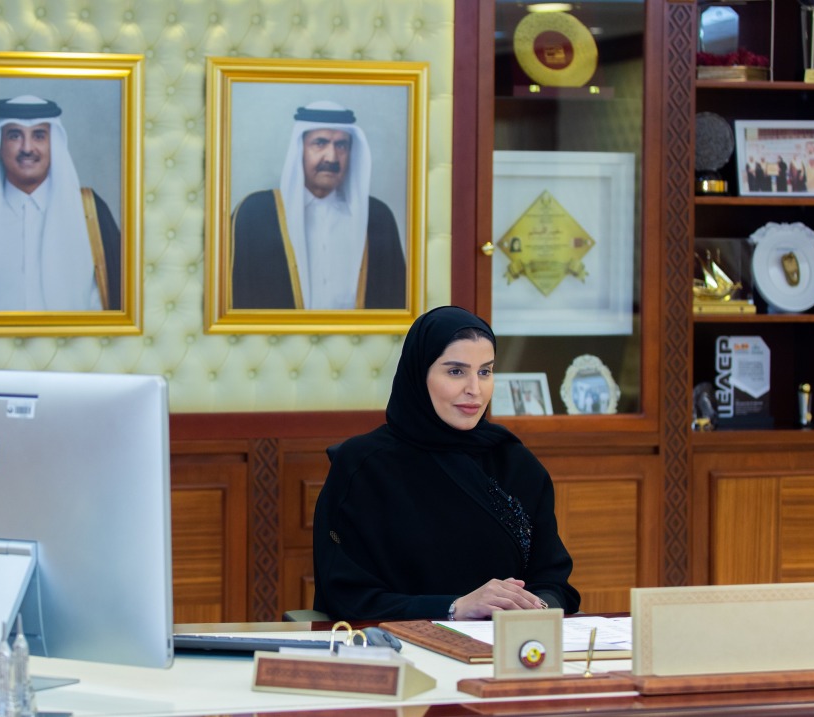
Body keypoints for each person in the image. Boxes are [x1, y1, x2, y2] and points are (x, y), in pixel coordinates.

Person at [312, 306, 580, 620]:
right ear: (419, 373)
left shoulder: (516, 463)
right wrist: (455, 608)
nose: (474, 390)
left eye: (485, 371)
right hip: (398, 650)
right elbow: (345, 595)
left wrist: (535, 610)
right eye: (456, 371)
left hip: (508, 652)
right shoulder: (363, 466)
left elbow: (552, 580)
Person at [0, 95, 121, 312]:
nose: (27, 148)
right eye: (15, 136)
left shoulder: (90, 213)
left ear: (54, 145)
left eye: (39, 136)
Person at [230, 101, 406, 310]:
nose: (331, 157)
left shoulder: (378, 217)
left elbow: (397, 302)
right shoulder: (255, 214)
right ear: (299, 150)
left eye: (341, 145)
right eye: (320, 143)